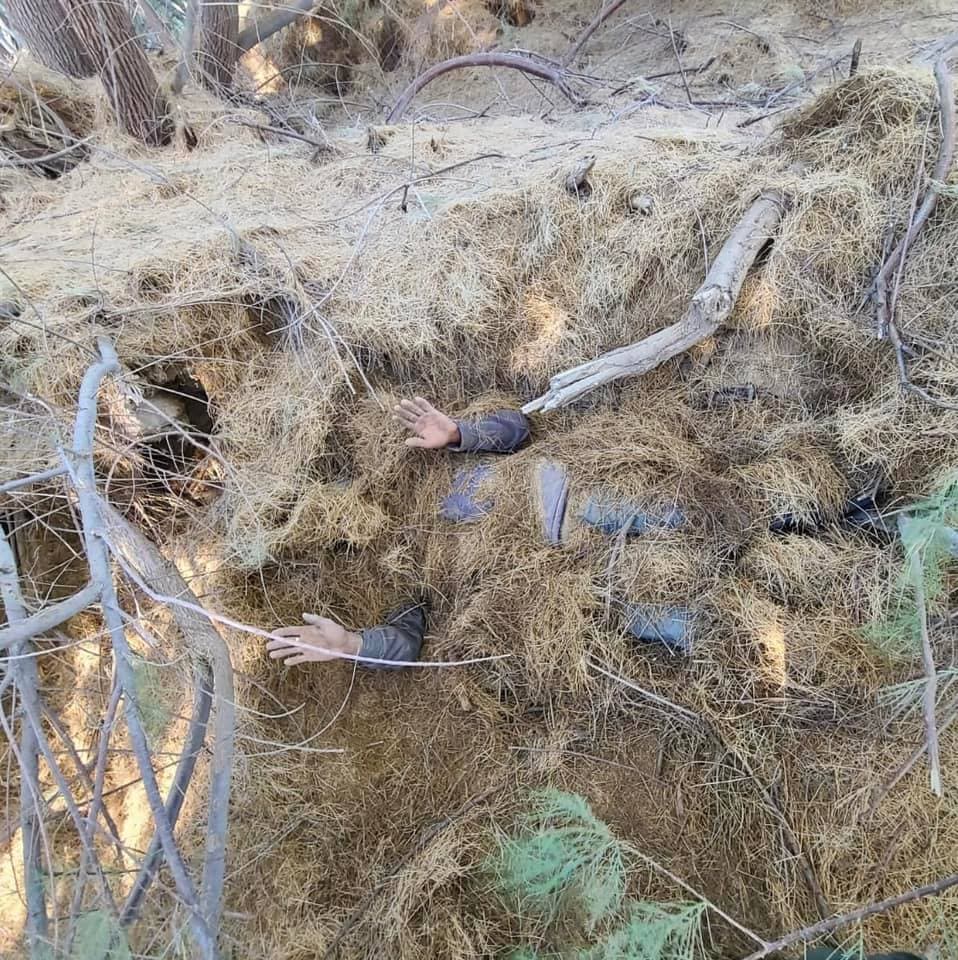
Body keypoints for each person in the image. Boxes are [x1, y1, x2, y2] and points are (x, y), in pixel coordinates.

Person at [266, 398, 530, 669]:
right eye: (332, 525)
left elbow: (522, 428)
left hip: (551, 479)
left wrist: (459, 433)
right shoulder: (385, 571)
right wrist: (351, 645)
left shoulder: (416, 461)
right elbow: (407, 642)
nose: (345, 519)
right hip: (535, 561)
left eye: (337, 506)